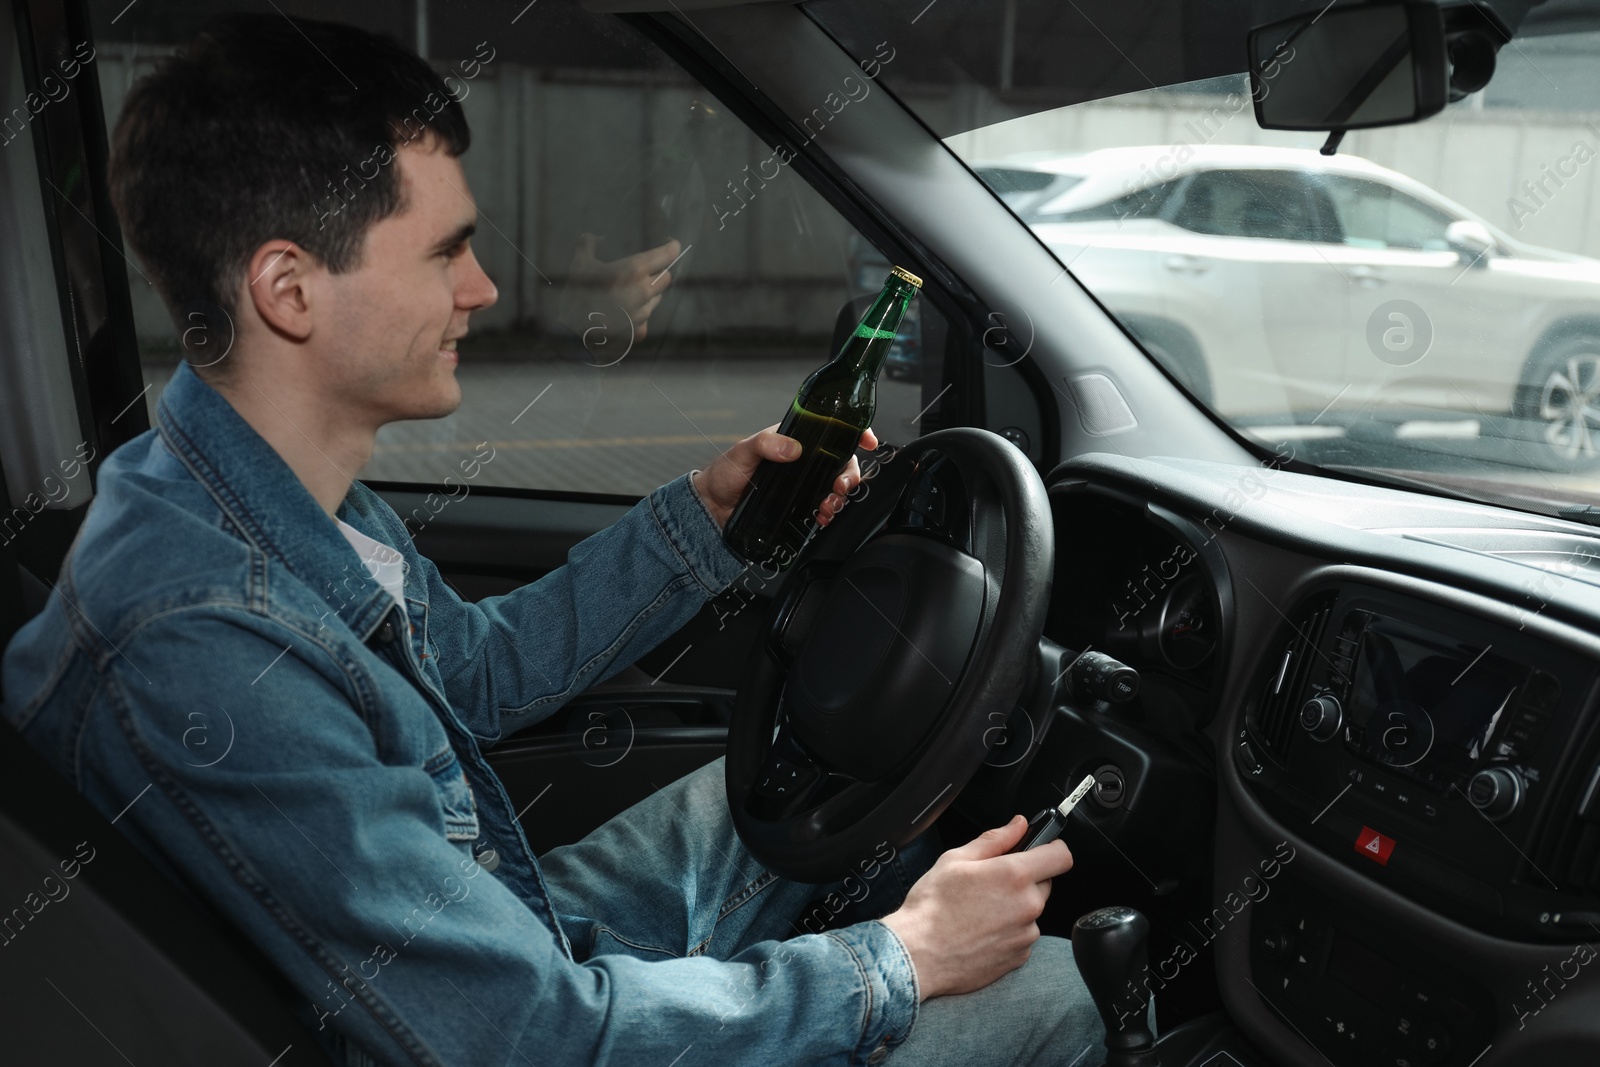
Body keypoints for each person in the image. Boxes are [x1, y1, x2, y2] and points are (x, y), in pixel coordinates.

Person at [0, 14, 1104, 1066]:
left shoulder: (254, 490)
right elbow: (528, 1037)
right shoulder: (209, 642)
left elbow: (467, 673)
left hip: (500, 936)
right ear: (289, 288)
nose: (482, 289)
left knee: (804, 778)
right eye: (446, 253)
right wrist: (897, 961)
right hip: (501, 1023)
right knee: (1051, 993)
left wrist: (701, 525)